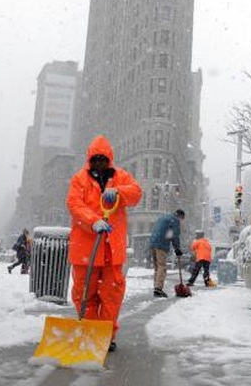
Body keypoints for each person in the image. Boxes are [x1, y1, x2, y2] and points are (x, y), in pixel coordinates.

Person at [66, 135, 142, 352]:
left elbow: (136, 194)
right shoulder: (79, 179)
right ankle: (89, 331)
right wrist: (93, 221)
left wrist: (119, 191)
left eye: (103, 159)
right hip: (86, 250)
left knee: (111, 296)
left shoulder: (120, 177)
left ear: (109, 159)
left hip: (111, 251)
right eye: (95, 159)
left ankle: (105, 336)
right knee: (84, 294)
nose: (99, 163)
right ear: (89, 160)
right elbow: (74, 205)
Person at [149, 208, 185, 297]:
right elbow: (174, 235)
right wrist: (177, 248)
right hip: (161, 244)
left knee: (157, 267)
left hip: (153, 243)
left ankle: (156, 287)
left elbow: (168, 233)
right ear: (180, 216)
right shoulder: (175, 220)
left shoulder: (164, 217)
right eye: (182, 219)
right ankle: (158, 289)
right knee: (162, 267)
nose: (181, 221)